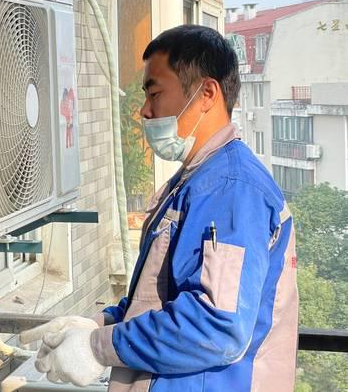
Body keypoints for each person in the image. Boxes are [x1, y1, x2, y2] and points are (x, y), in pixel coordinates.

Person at [20, 25, 298, 391]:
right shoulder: (197, 181)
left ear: (206, 94)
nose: (144, 110)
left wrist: (99, 347)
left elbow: (217, 326)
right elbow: (164, 297)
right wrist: (101, 324)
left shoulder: (233, 190)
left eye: (155, 93)